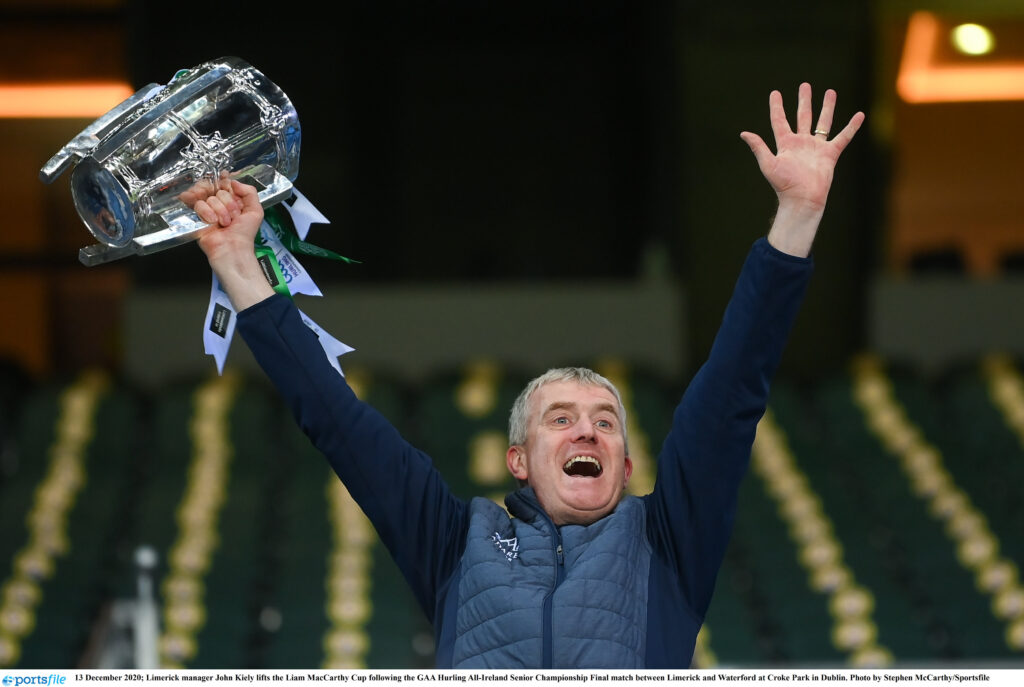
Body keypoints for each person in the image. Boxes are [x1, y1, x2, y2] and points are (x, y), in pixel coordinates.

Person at [190, 83, 864, 668]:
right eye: (561, 418)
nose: (587, 432)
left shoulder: (666, 543)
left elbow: (731, 390)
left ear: (627, 466)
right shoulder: (455, 543)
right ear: (518, 459)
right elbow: (337, 421)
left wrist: (797, 216)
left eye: (606, 423)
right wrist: (239, 265)